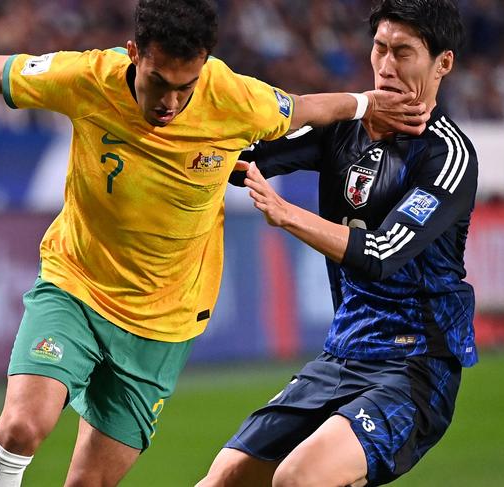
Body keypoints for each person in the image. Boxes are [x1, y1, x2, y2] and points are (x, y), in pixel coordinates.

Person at [0, 1, 430, 486]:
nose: (172, 102)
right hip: (77, 284)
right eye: (160, 83)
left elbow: (303, 108)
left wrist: (365, 104)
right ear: (135, 54)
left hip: (165, 322)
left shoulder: (232, 96)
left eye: (187, 86)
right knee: (22, 425)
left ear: (203, 64)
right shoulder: (90, 76)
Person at [197, 1, 478, 486]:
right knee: (224, 478)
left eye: (404, 53)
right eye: (380, 49)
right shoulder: (343, 129)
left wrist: (287, 216)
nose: (386, 67)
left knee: (297, 479)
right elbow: (238, 155)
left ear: (442, 64)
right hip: (341, 355)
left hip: (413, 368)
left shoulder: (447, 156)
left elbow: (382, 254)